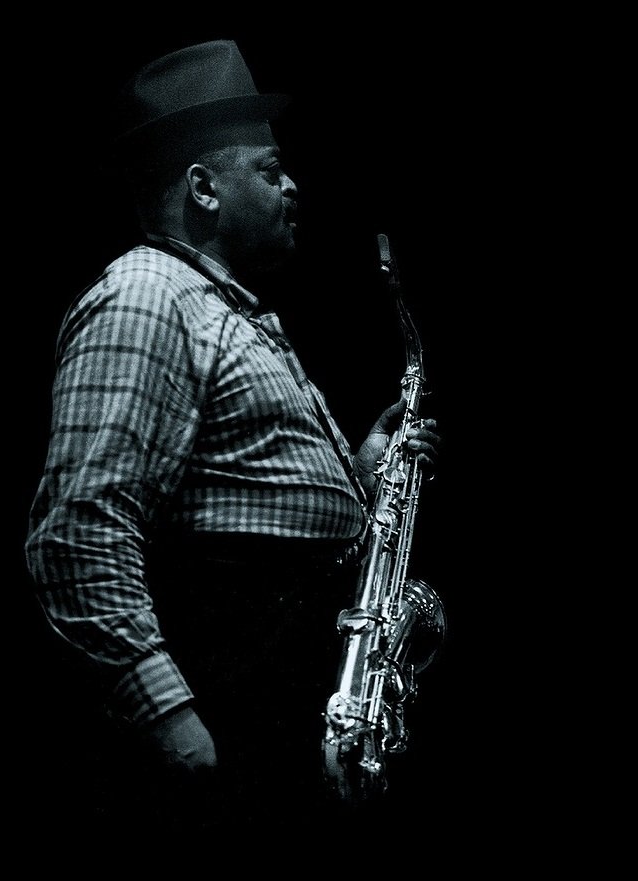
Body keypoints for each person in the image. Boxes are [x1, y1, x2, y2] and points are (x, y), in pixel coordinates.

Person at [24, 39, 442, 834]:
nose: (292, 186)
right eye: (270, 169)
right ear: (204, 188)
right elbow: (77, 532)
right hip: (235, 723)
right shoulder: (146, 295)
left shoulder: (224, 309)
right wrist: (174, 721)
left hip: (288, 712)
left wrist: (359, 477)